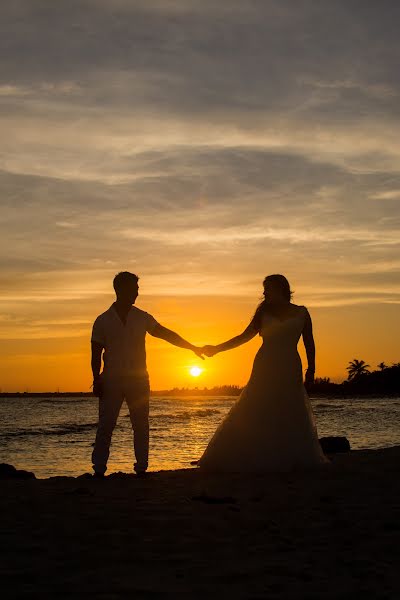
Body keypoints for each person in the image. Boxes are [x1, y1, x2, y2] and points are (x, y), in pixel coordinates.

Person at [198, 274, 329, 472]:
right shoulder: (263, 313)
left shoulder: (302, 312)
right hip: (265, 364)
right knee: (258, 405)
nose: (264, 292)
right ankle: (251, 453)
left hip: (290, 364)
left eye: (267, 288)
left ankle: (289, 455)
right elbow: (243, 337)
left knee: (290, 406)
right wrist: (217, 349)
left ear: (281, 289)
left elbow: (309, 342)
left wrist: (312, 368)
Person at [91, 271, 204, 477]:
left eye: (137, 289)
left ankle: (141, 467)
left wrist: (191, 347)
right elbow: (95, 352)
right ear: (119, 290)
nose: (137, 293)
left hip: (139, 380)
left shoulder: (142, 317)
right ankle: (99, 469)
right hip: (112, 379)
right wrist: (96, 378)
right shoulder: (103, 320)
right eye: (134, 289)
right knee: (106, 425)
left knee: (141, 424)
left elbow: (166, 334)